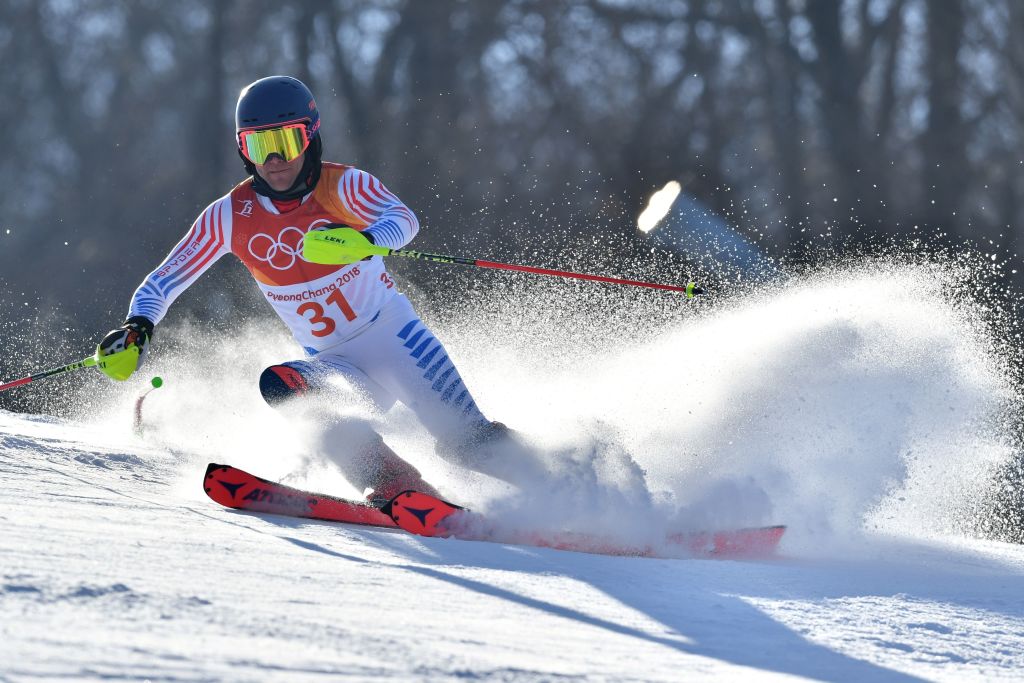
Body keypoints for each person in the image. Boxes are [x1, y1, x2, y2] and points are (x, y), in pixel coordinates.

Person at [98, 75, 511, 501]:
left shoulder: (343, 186)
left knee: (470, 447)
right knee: (285, 386)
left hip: (396, 341)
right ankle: (396, 485)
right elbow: (165, 279)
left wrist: (367, 241)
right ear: (243, 150)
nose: (274, 159)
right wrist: (138, 326)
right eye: (259, 145)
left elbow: (403, 220)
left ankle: (564, 484)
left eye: (287, 142)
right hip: (336, 365)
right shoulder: (230, 215)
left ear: (311, 138)